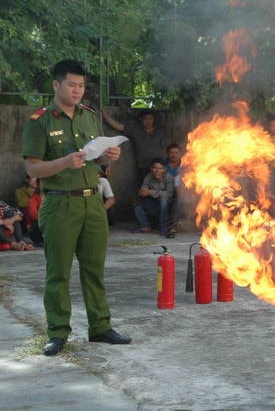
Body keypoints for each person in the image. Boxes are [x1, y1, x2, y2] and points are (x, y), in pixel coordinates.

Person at [21, 59, 131, 356]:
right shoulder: (40, 121)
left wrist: (109, 156)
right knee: (58, 272)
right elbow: (34, 168)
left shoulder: (88, 117)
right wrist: (63, 162)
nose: (77, 90)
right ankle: (57, 332)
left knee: (94, 270)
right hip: (58, 203)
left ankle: (100, 327)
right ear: (56, 85)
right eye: (71, 84)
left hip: (93, 202)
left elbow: (96, 160)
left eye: (81, 85)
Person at [101, 108, 167, 182]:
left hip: (159, 167)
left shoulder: (159, 131)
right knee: (144, 190)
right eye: (145, 119)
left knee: (160, 189)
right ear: (141, 119)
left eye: (150, 119)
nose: (148, 121)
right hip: (143, 167)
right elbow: (118, 126)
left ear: (154, 120)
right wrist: (104, 114)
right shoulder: (135, 130)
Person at [132, 158, 175, 237]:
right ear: (151, 168)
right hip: (154, 204)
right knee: (136, 201)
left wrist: (150, 192)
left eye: (160, 168)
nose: (157, 171)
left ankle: (163, 227)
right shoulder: (148, 177)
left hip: (167, 207)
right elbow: (143, 190)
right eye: (155, 168)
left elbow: (169, 194)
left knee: (163, 199)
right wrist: (141, 192)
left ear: (164, 169)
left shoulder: (169, 177)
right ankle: (145, 226)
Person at [14, 175, 43, 244]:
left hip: (36, 214)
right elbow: (21, 203)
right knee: (26, 209)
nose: (34, 181)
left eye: (36, 180)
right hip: (25, 215)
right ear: (27, 180)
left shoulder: (38, 193)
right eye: (33, 178)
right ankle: (28, 230)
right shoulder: (19, 191)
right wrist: (32, 200)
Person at [164, 143, 183, 233]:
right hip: (166, 191)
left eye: (176, 153)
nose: (174, 155)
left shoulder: (185, 164)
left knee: (180, 199)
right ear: (167, 154)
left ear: (180, 154)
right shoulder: (162, 165)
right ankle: (172, 227)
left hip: (181, 192)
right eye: (171, 152)